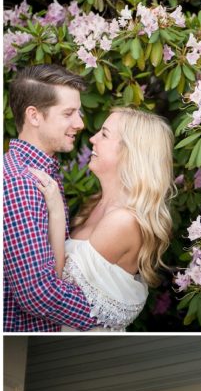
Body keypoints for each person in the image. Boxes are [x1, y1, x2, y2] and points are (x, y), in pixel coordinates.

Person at [28, 105, 175, 332]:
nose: (93, 139)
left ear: (130, 152)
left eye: (104, 134)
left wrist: (56, 212)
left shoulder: (123, 222)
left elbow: (54, 288)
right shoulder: (97, 204)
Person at [3, 64, 98, 331]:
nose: (79, 123)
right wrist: (104, 317)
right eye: (68, 113)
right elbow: (37, 293)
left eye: (78, 112)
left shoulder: (40, 175)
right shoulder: (20, 182)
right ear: (34, 115)